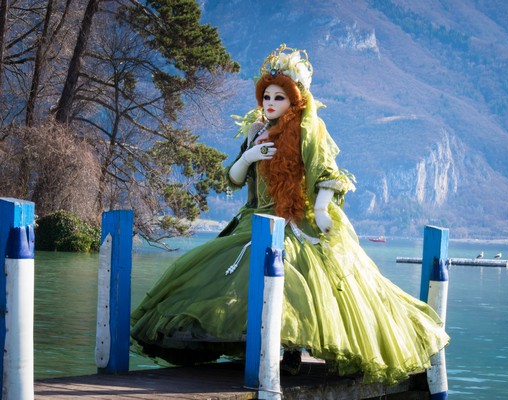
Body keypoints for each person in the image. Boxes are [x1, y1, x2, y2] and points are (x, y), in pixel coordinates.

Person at [131, 44, 449, 384]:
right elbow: (234, 178)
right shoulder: (256, 130)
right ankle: (253, 347)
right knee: (227, 273)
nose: (270, 103)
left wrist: (324, 208)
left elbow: (326, 172)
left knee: (303, 284)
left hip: (297, 219)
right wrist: (250, 156)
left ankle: (292, 352)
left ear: (294, 100)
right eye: (266, 96)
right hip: (258, 220)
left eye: (278, 97)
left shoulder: (308, 130)